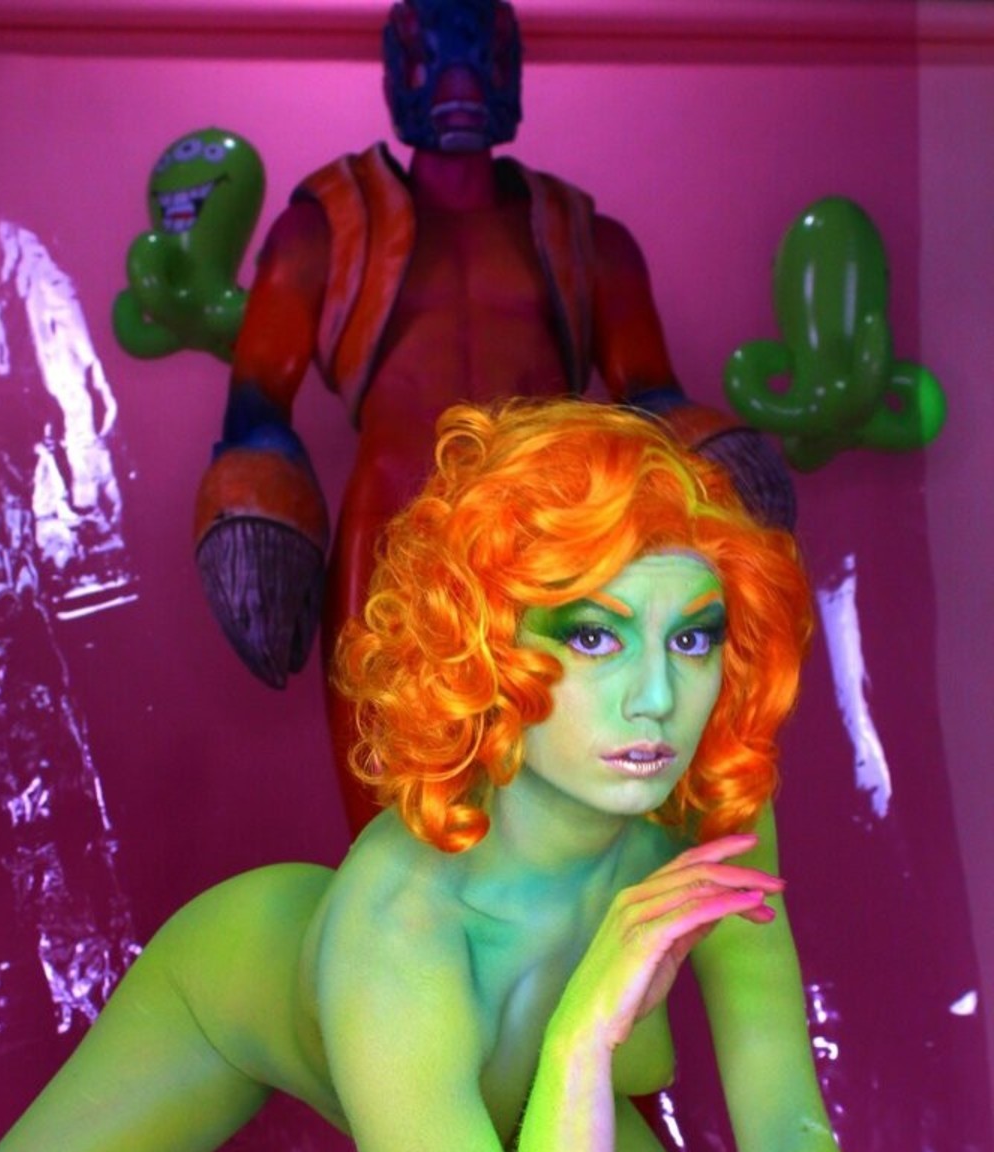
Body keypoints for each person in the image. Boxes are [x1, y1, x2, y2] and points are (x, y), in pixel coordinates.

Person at [0, 400, 989, 1152]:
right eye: (594, 636)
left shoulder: (711, 809)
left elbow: (786, 1131)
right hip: (240, 996)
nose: (658, 701)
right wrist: (581, 1044)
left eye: (691, 637)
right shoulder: (401, 926)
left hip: (507, 1090)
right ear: (488, 640)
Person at [195, 0, 794, 829]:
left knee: (568, 786)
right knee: (394, 797)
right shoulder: (323, 231)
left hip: (555, 531)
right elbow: (257, 403)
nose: (460, 79)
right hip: (393, 528)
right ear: (396, 68)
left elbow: (651, 398)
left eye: (484, 54)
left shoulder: (584, 239)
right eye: (432, 56)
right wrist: (258, 515)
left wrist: (727, 496)